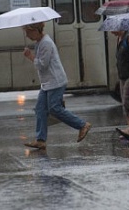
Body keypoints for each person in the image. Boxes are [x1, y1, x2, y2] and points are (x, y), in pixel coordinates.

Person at [22, 22, 92, 150]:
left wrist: (30, 56)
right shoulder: (39, 43)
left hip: (55, 81)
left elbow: (43, 65)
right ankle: (41, 139)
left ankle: (82, 125)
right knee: (40, 109)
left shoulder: (46, 43)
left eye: (28, 32)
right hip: (47, 83)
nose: (27, 36)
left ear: (36, 30)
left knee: (55, 108)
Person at [114, 30, 129, 124]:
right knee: (125, 106)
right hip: (122, 75)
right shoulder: (119, 39)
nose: (111, 31)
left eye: (114, 28)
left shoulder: (128, 37)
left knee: (127, 102)